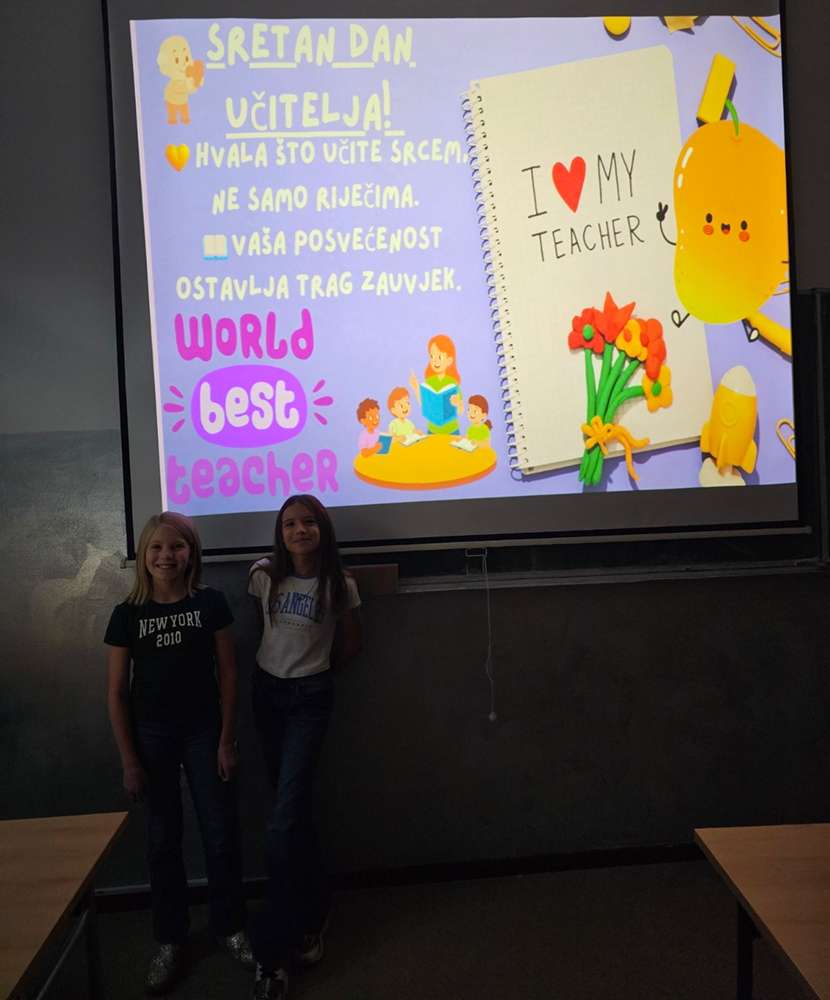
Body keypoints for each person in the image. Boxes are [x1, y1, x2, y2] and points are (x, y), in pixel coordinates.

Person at [105, 512, 252, 995]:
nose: (166, 556)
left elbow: (229, 674)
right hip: (151, 736)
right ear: (143, 556)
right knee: (162, 840)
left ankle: (230, 926)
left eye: (177, 547)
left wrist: (226, 739)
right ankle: (170, 938)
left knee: (220, 834)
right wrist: (129, 759)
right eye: (156, 548)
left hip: (205, 732)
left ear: (192, 553)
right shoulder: (127, 613)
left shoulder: (210, 603)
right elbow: (116, 692)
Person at [247, 495, 362, 1000]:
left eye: (309, 522)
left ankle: (272, 956)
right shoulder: (262, 576)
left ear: (323, 529)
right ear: (280, 532)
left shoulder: (339, 583)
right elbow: (261, 632)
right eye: (290, 524)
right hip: (267, 694)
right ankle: (316, 908)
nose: (300, 531)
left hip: (310, 699)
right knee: (292, 815)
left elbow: (352, 642)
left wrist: (318, 676)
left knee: (280, 825)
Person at [408, 332, 463, 434]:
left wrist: (457, 404)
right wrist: (416, 387)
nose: (435, 361)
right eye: (432, 356)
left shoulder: (453, 383)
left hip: (451, 430)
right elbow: (424, 405)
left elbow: (460, 411)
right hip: (432, 430)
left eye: (439, 357)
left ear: (449, 360)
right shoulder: (429, 381)